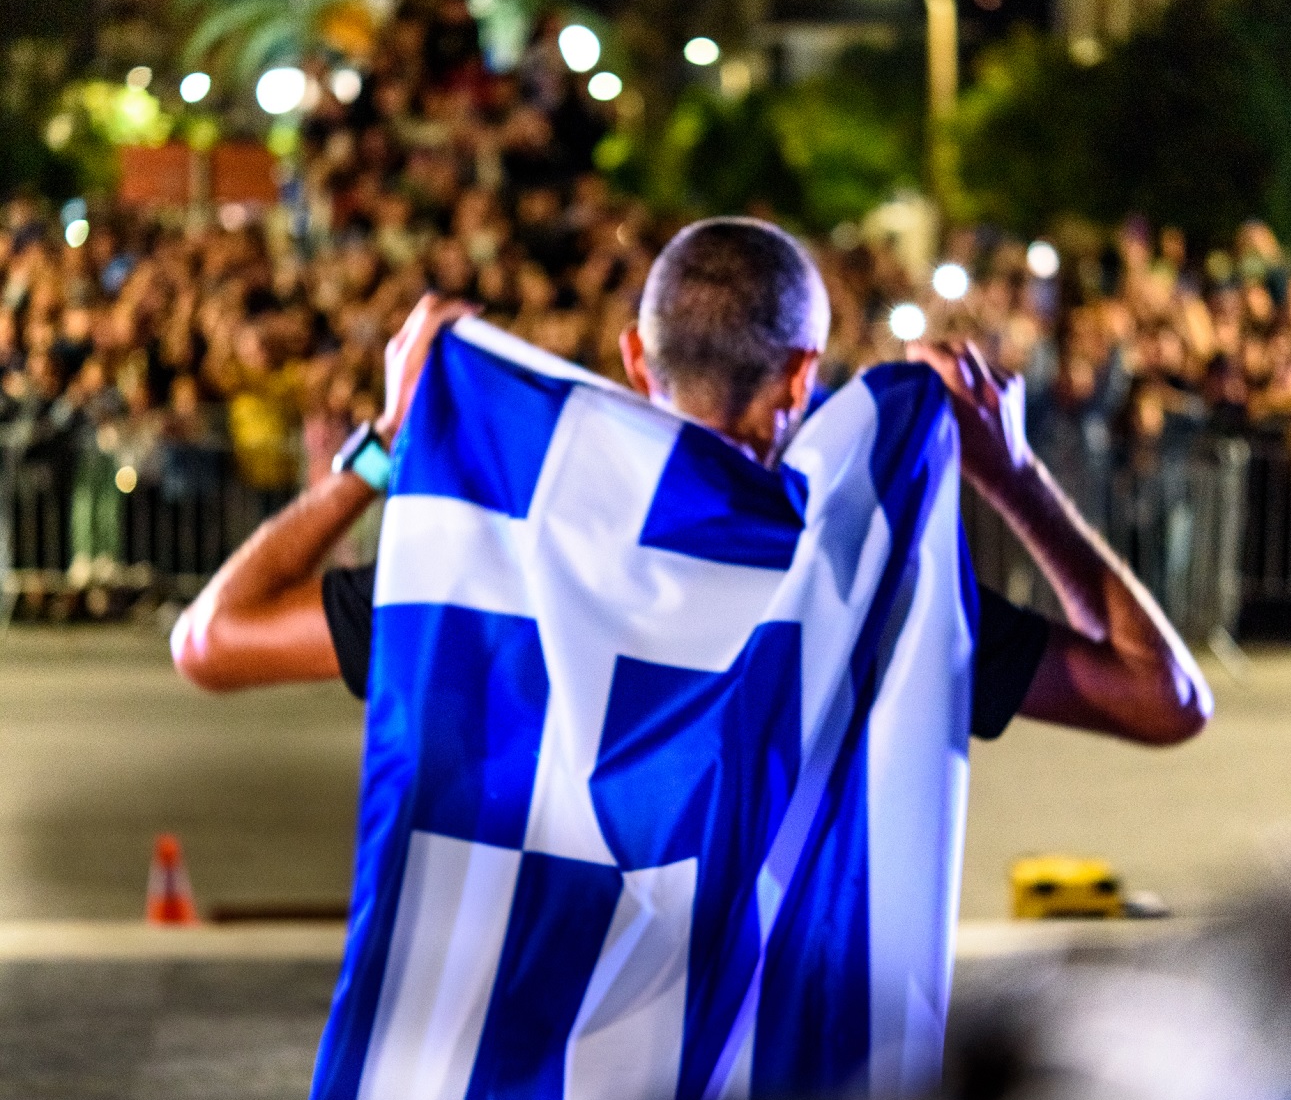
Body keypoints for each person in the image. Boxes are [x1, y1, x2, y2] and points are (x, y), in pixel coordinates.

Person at [172, 219, 1211, 751]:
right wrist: (1012, 474)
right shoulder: (863, 590)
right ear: (801, 376)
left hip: (551, 1060)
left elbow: (213, 642)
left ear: (637, 357)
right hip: (770, 1066)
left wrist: (386, 445)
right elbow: (1161, 698)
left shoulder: (510, 562)